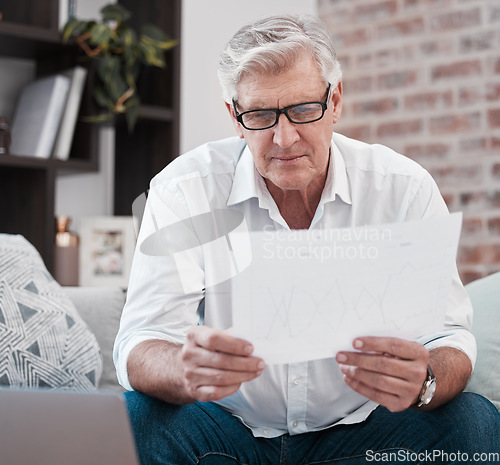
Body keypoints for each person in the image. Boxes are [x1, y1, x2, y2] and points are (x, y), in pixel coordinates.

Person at [114, 14, 500, 465]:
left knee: (472, 421)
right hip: (225, 432)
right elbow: (142, 339)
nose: (284, 138)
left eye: (302, 110)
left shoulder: (402, 188)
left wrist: (426, 380)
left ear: (335, 101)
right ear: (234, 118)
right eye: (260, 115)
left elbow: (449, 335)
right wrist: (182, 368)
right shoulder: (186, 190)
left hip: (361, 433)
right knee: (134, 417)